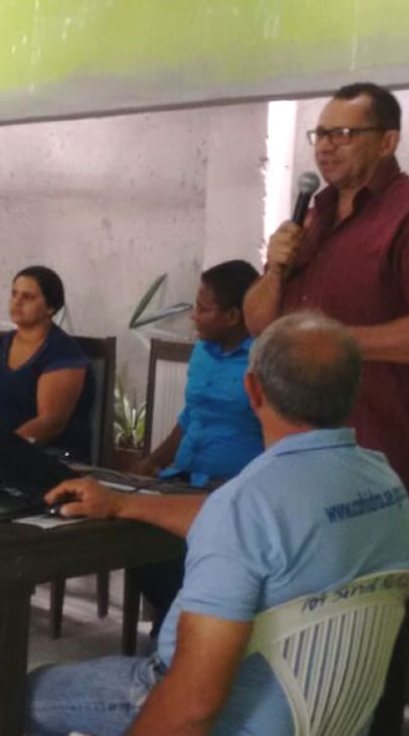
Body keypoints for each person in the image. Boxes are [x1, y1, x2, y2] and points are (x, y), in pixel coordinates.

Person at [25, 311, 409, 736]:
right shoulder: (383, 483)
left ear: (252, 390)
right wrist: (122, 504)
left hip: (224, 715)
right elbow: (245, 524)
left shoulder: (248, 504)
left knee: (24, 695)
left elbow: (192, 708)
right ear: (354, 389)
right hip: (326, 721)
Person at [242, 81, 409, 510]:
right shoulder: (312, 218)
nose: (326, 148)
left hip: (373, 455)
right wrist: (276, 268)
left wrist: (330, 346)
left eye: (344, 135)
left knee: (351, 578)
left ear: (388, 141)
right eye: (321, 135)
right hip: (291, 451)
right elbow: (258, 324)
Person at [128, 259, 263, 639]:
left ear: (234, 316)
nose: (194, 318)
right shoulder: (204, 351)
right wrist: (153, 461)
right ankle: (174, 629)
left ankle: (182, 637)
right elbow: (191, 417)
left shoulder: (263, 360)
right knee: (133, 540)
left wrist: (245, 488)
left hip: (230, 490)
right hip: (184, 478)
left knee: (188, 557)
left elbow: (278, 436)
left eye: (203, 310)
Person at [0, 265, 93, 462]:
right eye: (14, 294)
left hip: (47, 457)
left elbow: (51, 423)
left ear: (50, 307)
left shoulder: (63, 353)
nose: (17, 302)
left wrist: (0, 451)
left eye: (28, 297)